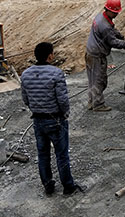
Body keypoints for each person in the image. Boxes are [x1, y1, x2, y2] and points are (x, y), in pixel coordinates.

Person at [21, 42, 83, 196]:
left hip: (38, 120)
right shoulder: (56, 73)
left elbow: (25, 99)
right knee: (62, 155)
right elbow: (62, 99)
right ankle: (68, 186)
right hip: (56, 119)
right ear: (50, 56)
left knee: (43, 154)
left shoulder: (26, 74)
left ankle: (48, 185)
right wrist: (65, 113)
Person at [85, 0, 125, 112]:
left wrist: (122, 37)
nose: (116, 14)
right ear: (108, 10)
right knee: (100, 80)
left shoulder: (101, 17)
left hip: (90, 52)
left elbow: (112, 30)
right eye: (114, 12)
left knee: (93, 79)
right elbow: (113, 42)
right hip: (97, 55)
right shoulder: (104, 26)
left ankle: (91, 102)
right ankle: (98, 105)